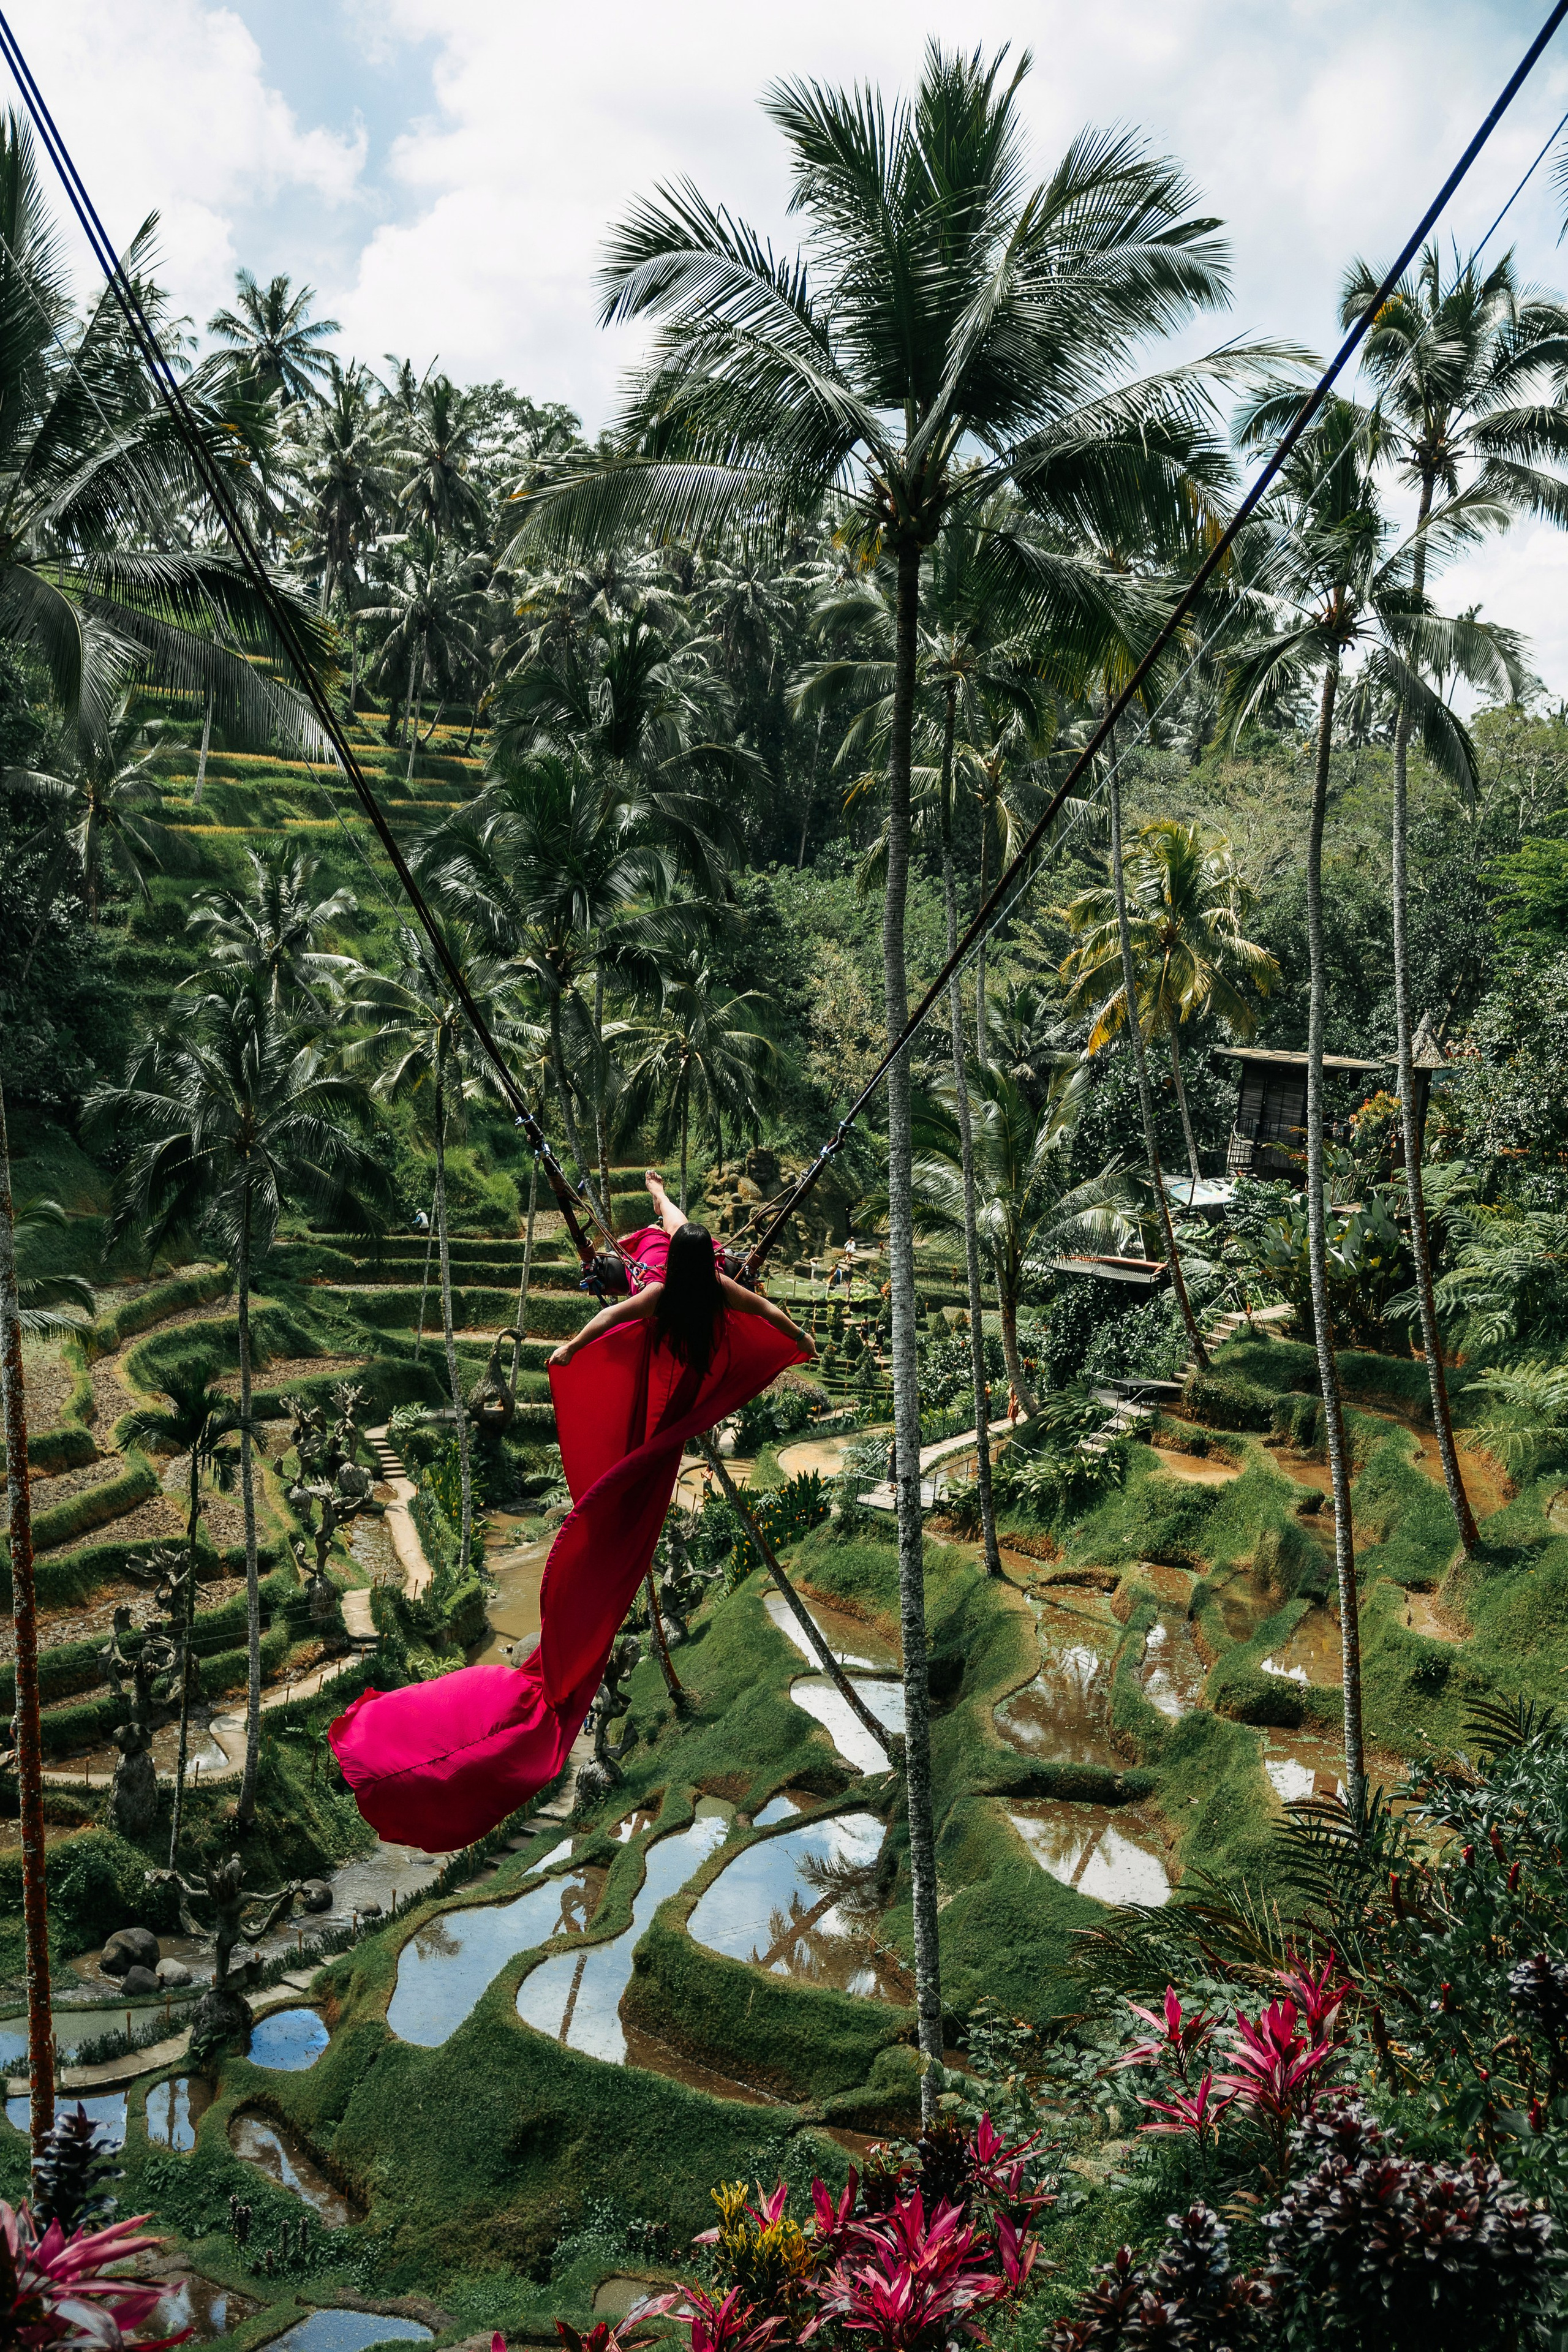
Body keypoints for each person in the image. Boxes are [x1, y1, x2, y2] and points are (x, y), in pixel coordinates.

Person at [551, 1170, 814, 1374]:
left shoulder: (658, 1294)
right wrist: (800, 1336)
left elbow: (609, 1316)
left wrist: (572, 1348)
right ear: (710, 1257)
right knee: (681, 1230)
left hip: (661, 1268)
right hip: (680, 1267)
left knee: (659, 1234)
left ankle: (661, 1205)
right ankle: (661, 1199)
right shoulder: (718, 1283)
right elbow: (765, 1309)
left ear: (673, 1256)